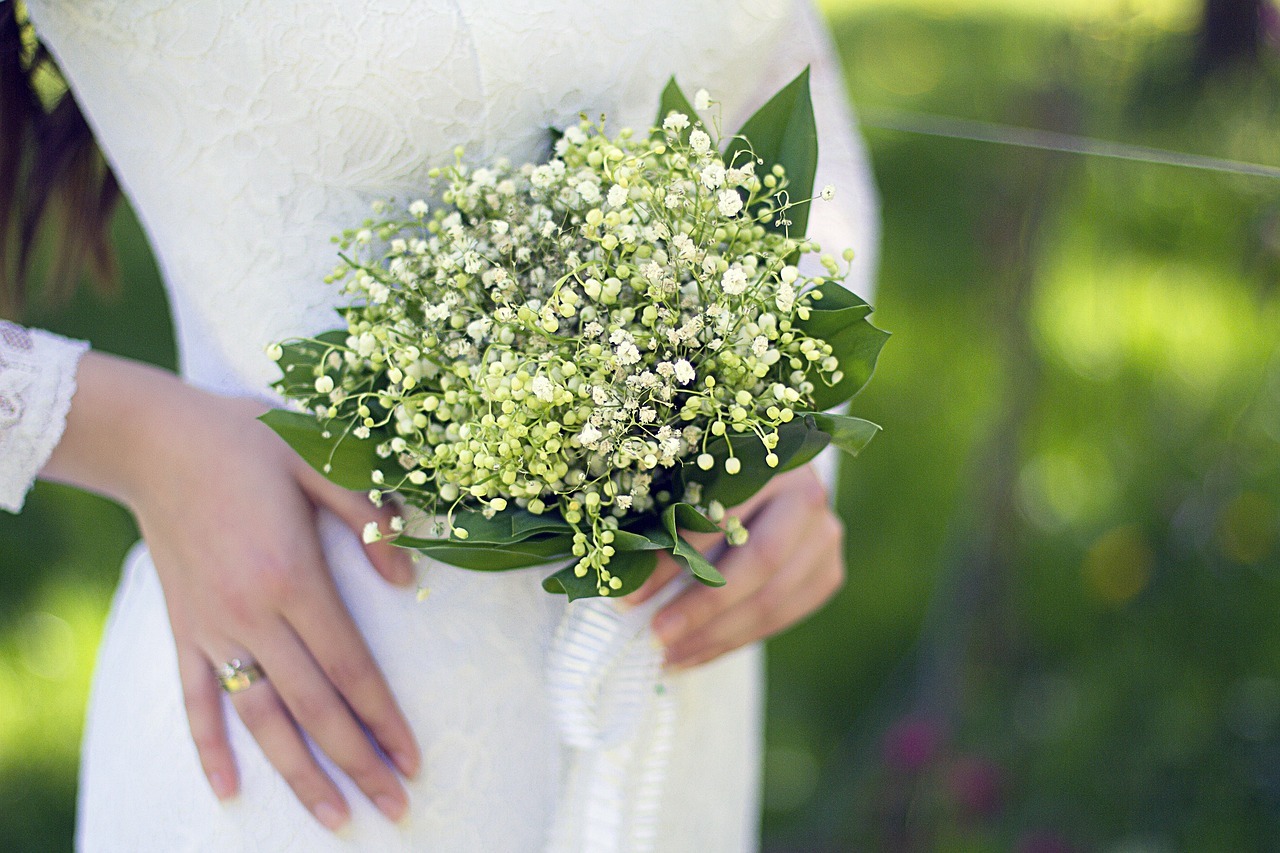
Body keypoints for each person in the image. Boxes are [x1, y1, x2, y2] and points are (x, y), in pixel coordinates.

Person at [1, 0, 879, 849]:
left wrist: (782, 435)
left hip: (666, 708)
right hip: (325, 730)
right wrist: (137, 440)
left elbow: (779, 81)